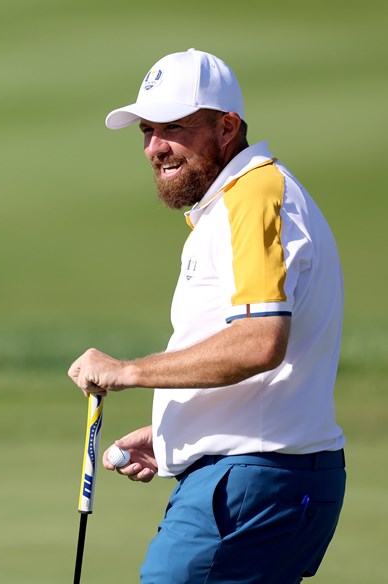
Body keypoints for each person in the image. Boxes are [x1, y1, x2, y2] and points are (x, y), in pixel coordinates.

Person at [67, 49, 345, 583]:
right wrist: (180, 428)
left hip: (250, 482)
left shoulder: (255, 196)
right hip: (266, 476)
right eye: (147, 130)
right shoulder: (238, 201)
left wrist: (129, 371)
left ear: (226, 127)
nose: (155, 147)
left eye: (174, 127)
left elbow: (260, 342)